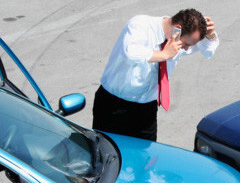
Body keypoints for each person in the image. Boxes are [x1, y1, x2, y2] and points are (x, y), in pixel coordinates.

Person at [93, 8, 219, 142]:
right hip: (114, 106)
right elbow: (130, 53)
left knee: (146, 158)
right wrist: (164, 54)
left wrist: (210, 36)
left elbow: (208, 52)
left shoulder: (177, 41)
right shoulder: (140, 25)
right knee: (105, 155)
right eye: (187, 44)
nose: (186, 49)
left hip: (146, 110)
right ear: (178, 29)